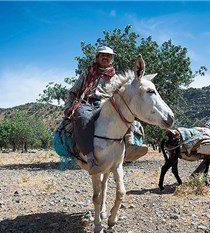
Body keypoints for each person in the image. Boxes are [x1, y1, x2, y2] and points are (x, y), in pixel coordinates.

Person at [63, 46, 147, 175]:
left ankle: (130, 145)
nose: (105, 57)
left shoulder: (115, 78)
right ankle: (91, 158)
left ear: (111, 59)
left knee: (126, 112)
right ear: (97, 57)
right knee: (83, 118)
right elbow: (73, 91)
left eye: (108, 55)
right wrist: (68, 107)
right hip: (88, 102)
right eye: (102, 55)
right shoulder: (87, 73)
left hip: (106, 104)